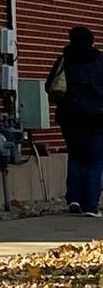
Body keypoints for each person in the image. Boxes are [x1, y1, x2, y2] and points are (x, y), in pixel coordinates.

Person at [49, 26, 103, 216]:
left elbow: (51, 86)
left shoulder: (64, 60)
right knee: (95, 160)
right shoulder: (99, 61)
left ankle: (74, 199)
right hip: (97, 117)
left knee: (76, 157)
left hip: (69, 117)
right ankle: (90, 205)